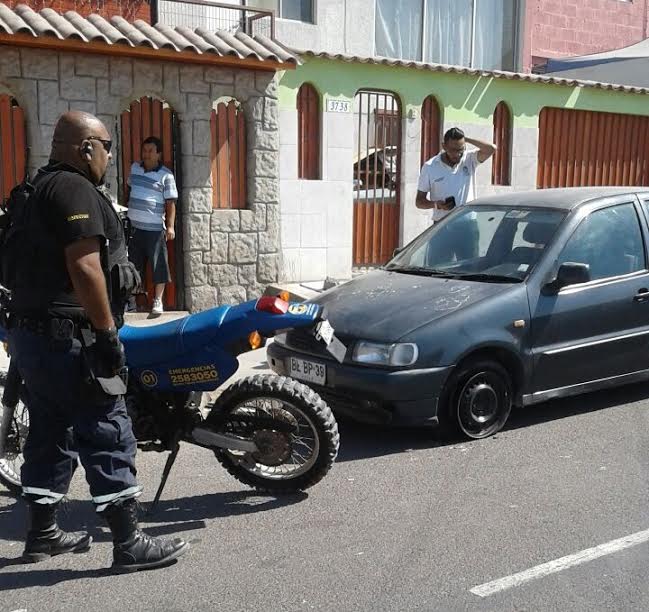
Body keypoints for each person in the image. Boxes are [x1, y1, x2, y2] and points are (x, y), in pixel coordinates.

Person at [6, 111, 188, 571]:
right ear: (87, 147)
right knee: (107, 426)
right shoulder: (73, 189)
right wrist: (106, 334)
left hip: (32, 339)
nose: (110, 155)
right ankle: (129, 543)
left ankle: (42, 536)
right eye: (107, 145)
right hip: (71, 340)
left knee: (49, 432)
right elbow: (85, 266)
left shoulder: (30, 191)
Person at [415, 127, 497, 261]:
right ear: (444, 146)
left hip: (467, 226)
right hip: (441, 226)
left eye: (460, 149)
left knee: (469, 269)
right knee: (437, 269)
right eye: (453, 150)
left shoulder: (469, 159)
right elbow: (419, 202)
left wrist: (466, 139)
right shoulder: (430, 167)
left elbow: (491, 148)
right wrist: (437, 205)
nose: (457, 154)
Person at [126, 137, 177, 315]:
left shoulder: (166, 175)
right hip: (134, 229)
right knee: (132, 266)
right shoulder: (134, 168)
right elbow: (130, 189)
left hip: (155, 230)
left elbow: (170, 203)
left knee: (159, 265)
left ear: (159, 154)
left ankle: (157, 301)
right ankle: (132, 302)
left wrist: (170, 227)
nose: (146, 154)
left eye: (150, 151)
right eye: (144, 150)